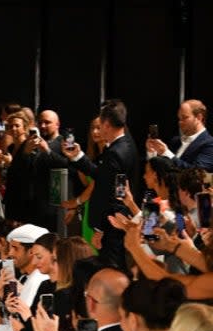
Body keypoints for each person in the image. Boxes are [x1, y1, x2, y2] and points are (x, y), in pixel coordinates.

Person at [63, 99, 140, 269]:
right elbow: (102, 177)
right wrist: (78, 157)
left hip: (113, 225)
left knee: (113, 269)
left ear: (106, 124)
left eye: (100, 124)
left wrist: (100, 229)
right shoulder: (126, 144)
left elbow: (110, 194)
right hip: (115, 222)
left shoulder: (115, 152)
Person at [145, 98, 213, 171]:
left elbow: (197, 173)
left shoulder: (209, 144)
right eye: (179, 118)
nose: (180, 122)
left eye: (184, 117)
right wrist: (152, 153)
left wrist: (166, 153)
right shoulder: (176, 141)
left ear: (199, 117)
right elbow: (159, 172)